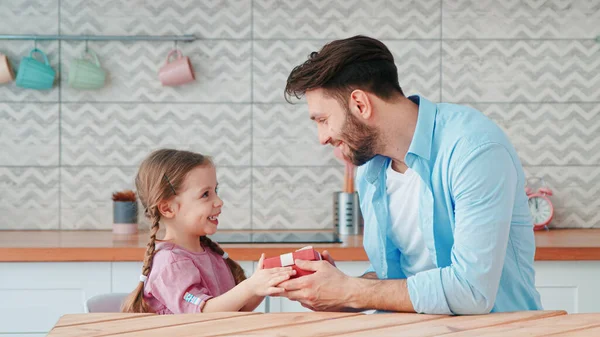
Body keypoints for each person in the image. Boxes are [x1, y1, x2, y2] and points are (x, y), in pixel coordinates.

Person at [278, 35, 543, 315]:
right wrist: (336, 291)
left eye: (323, 120)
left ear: (360, 104)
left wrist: (351, 291)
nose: (323, 137)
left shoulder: (474, 150)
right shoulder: (371, 169)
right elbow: (394, 281)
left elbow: (471, 291)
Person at [121, 149, 295, 313]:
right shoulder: (170, 264)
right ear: (167, 208)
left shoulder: (212, 254)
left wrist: (260, 284)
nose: (219, 201)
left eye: (215, 191)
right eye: (205, 194)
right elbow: (203, 312)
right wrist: (249, 287)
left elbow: (234, 308)